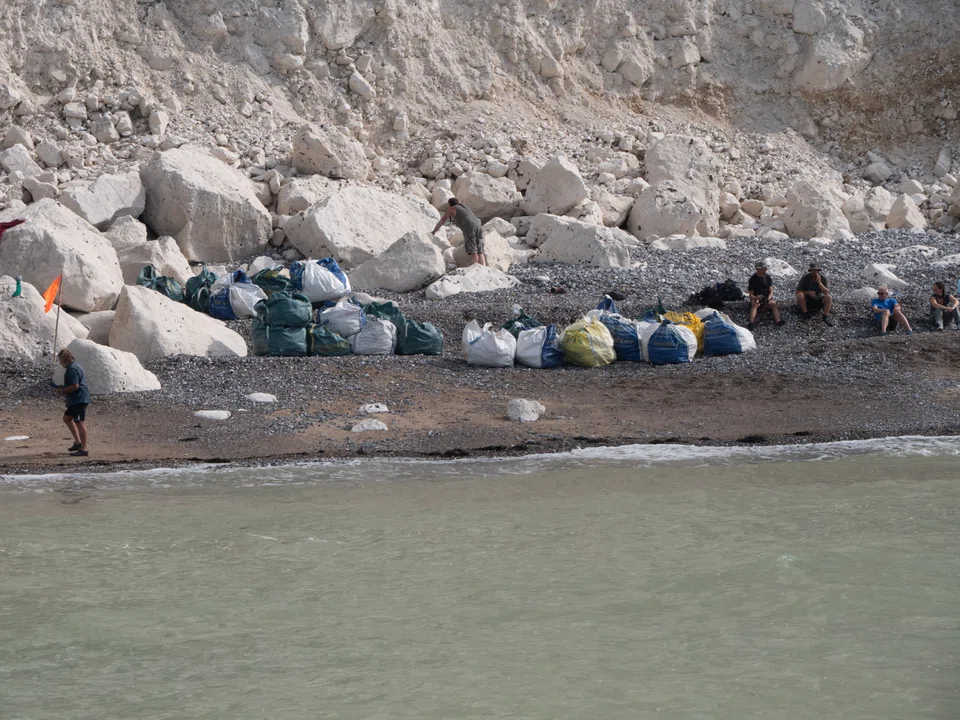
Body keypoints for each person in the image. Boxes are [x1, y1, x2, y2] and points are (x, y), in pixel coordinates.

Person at [55, 349, 90, 457]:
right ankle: (78, 443)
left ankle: (84, 449)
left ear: (65, 359)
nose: (60, 363)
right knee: (67, 418)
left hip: (79, 399)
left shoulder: (72, 369)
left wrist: (63, 391)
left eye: (61, 361)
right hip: (77, 399)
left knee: (80, 422)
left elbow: (75, 386)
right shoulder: (76, 365)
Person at [432, 197, 487, 267]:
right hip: (478, 226)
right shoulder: (465, 207)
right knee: (480, 249)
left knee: (473, 248)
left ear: (450, 204)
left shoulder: (453, 208)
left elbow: (443, 220)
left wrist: (434, 231)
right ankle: (483, 266)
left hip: (469, 227)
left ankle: (477, 267)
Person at [746, 261, 783, 330]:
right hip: (757, 299)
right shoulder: (753, 279)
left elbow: (771, 290)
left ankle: (778, 320)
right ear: (758, 269)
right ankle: (751, 322)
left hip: (766, 298)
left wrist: (768, 299)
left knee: (774, 304)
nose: (765, 269)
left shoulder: (768, 278)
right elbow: (750, 294)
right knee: (755, 304)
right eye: (763, 268)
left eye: (765, 268)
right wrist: (756, 298)